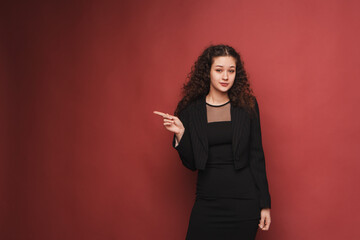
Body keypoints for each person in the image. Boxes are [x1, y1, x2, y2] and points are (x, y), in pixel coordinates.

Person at [153, 44, 271, 239]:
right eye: (219, 70)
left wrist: (265, 204)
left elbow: (256, 155)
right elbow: (191, 164)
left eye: (231, 71)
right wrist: (181, 133)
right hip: (208, 202)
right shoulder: (190, 111)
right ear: (207, 72)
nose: (225, 77)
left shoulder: (248, 105)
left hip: (244, 203)